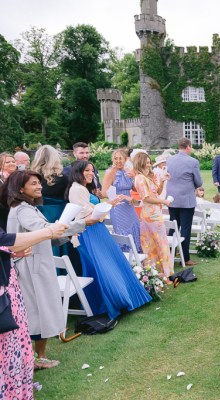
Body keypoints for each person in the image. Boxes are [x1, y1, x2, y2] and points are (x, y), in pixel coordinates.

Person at [4, 171, 87, 370]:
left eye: (39, 183)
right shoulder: (22, 209)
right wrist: (83, 222)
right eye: (34, 183)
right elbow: (43, 229)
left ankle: (36, 356)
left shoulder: (28, 207)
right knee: (37, 311)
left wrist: (67, 233)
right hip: (31, 268)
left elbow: (48, 236)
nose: (40, 186)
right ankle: (36, 358)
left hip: (36, 264)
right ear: (20, 188)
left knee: (41, 309)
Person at [67, 160, 151, 319]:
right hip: (89, 232)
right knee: (101, 267)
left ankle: (124, 297)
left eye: (92, 170)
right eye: (87, 171)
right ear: (78, 172)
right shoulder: (76, 189)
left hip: (98, 230)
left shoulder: (83, 188)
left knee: (111, 263)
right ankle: (113, 301)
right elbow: (88, 216)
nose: (91, 173)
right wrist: (108, 206)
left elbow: (94, 211)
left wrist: (109, 204)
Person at [0, 211, 66, 400]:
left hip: (8, 286)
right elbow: (4, 239)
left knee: (16, 346)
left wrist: (10, 254)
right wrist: (49, 231)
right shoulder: (21, 210)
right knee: (7, 350)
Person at [132, 152, 173, 278]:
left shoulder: (149, 176)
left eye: (149, 162)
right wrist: (164, 201)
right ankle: (163, 273)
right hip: (150, 215)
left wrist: (162, 181)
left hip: (155, 212)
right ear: (140, 162)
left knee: (158, 243)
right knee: (156, 243)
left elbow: (156, 192)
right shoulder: (139, 178)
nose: (149, 164)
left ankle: (161, 272)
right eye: (147, 162)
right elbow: (147, 198)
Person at [166, 137, 203, 266]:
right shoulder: (193, 162)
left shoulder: (169, 160)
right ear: (188, 147)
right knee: (185, 229)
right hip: (186, 200)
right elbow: (199, 182)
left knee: (173, 226)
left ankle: (169, 254)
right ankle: (186, 258)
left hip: (171, 199)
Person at [102, 149, 142, 252]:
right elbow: (103, 193)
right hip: (117, 208)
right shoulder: (110, 172)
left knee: (136, 227)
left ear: (125, 159)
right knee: (123, 233)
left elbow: (135, 189)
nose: (118, 161)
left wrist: (134, 177)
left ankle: (136, 257)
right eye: (116, 158)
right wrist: (118, 196)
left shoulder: (127, 172)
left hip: (129, 206)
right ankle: (125, 257)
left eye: (121, 158)